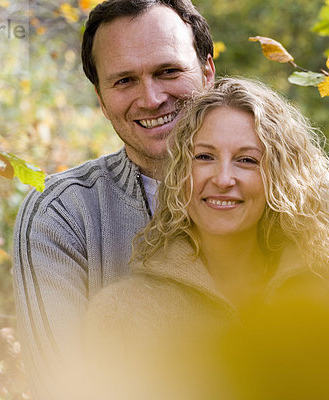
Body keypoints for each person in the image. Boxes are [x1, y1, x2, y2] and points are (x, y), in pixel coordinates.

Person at [82, 77, 329, 399]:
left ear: (279, 178)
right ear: (182, 171)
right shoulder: (121, 314)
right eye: (204, 157)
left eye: (247, 160)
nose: (223, 179)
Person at [12, 0, 214, 398]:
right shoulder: (62, 216)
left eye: (168, 71)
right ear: (101, 99)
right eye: (124, 81)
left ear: (208, 71)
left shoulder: (297, 193)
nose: (152, 98)